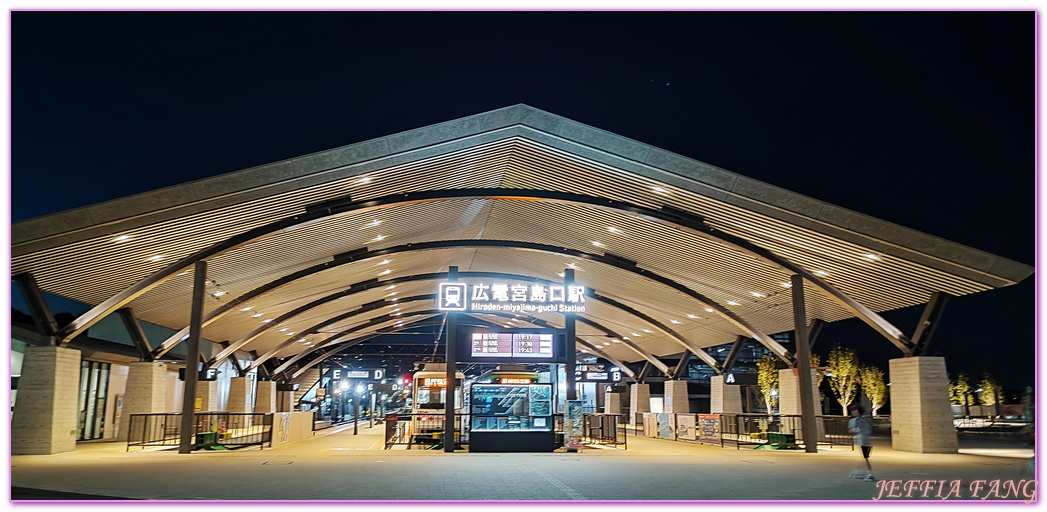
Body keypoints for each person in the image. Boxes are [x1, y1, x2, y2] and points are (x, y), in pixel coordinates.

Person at [848, 405, 875, 481]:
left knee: (865, 457)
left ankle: (868, 473)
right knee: (864, 457)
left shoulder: (864, 420)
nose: (854, 412)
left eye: (855, 410)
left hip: (865, 440)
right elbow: (850, 430)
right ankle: (860, 472)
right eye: (853, 411)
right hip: (860, 439)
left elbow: (868, 430)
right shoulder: (852, 421)